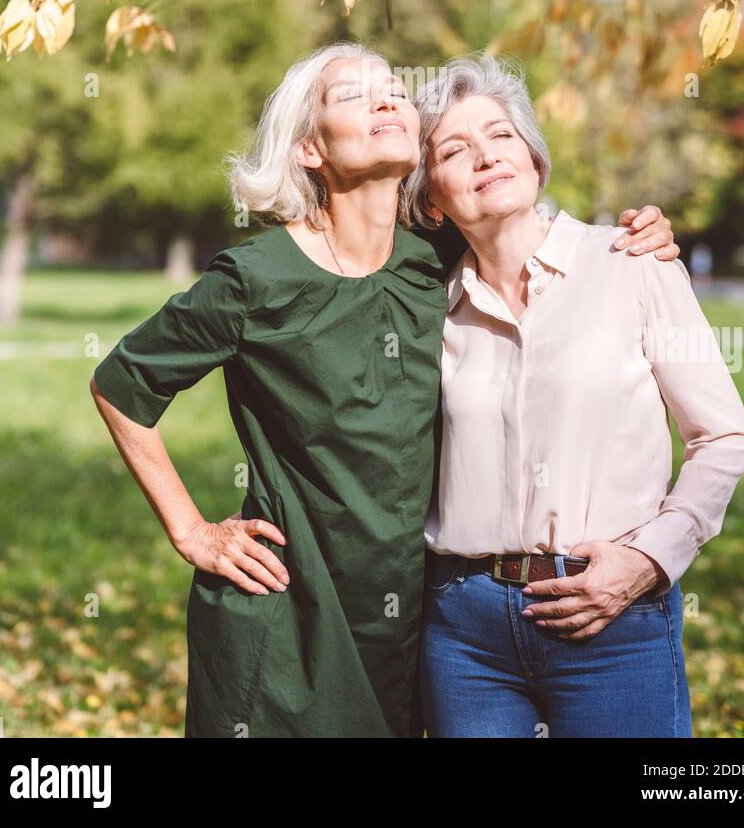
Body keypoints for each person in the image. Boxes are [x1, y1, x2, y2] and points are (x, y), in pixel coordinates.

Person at [90, 41, 679, 738]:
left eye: (396, 90)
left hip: (410, 630)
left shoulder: (436, 264)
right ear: (309, 149)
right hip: (286, 617)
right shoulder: (257, 279)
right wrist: (191, 531)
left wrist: (638, 234)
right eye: (354, 95)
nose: (389, 101)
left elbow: (526, 236)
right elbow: (121, 384)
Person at [408, 54, 744, 738]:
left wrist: (649, 560)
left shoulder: (633, 265)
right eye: (455, 148)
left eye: (502, 135)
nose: (485, 156)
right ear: (431, 199)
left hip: (613, 617)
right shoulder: (428, 310)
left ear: (534, 160)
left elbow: (721, 437)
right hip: (464, 635)